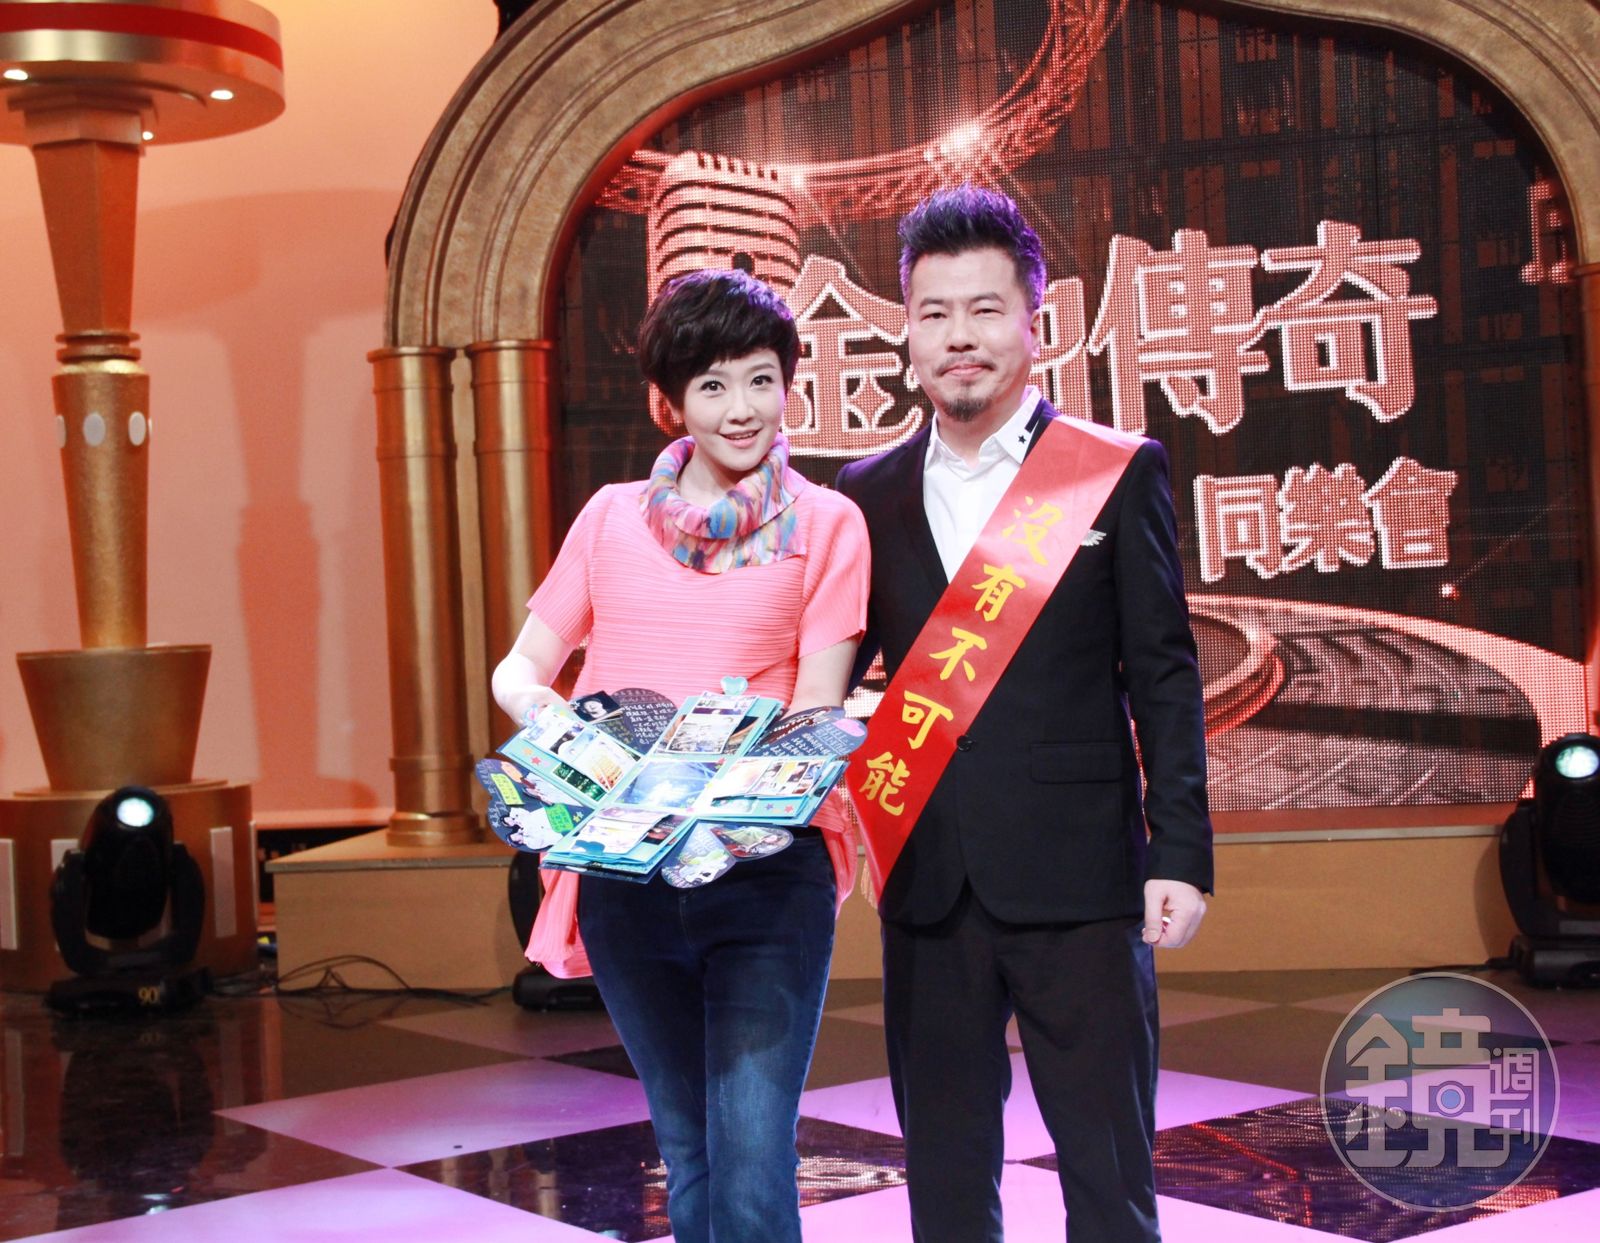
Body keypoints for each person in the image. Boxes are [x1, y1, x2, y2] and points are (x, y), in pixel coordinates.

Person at [835, 186, 1214, 1243]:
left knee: (1107, 1172)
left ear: (1033, 325)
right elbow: (825, 677)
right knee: (946, 1176)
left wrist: (1181, 851)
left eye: (985, 310)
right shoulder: (863, 491)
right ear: (907, 333)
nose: (960, 336)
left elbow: (1165, 673)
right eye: (936, 313)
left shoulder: (1111, 471)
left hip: (1082, 877)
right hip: (929, 880)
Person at [492, 268, 868, 1243]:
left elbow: (817, 711)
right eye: (712, 384)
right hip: (627, 874)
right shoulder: (609, 517)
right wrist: (565, 731)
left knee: (750, 1158)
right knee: (689, 1148)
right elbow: (519, 669)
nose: (741, 407)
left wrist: (733, 777)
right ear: (671, 401)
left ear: (788, 384)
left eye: (760, 379)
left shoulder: (828, 523)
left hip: (764, 873)